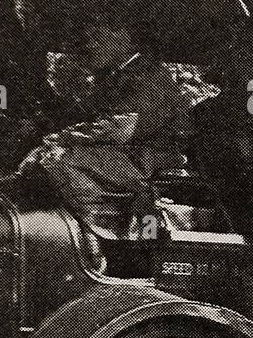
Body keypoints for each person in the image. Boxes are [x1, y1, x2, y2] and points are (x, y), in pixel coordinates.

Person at [20, 22, 197, 220]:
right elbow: (83, 114)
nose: (90, 46)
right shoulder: (118, 75)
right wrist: (43, 124)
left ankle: (102, 225)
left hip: (150, 158)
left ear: (124, 37)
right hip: (125, 154)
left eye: (97, 38)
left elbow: (122, 126)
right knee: (42, 155)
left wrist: (61, 137)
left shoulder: (150, 75)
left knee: (57, 158)